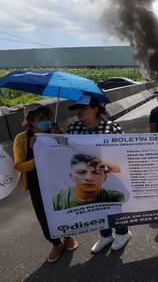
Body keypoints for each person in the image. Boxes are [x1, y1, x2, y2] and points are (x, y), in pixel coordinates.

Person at [66, 95, 132, 253]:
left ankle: (123, 232)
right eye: (77, 109)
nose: (79, 112)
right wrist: (47, 138)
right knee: (96, 206)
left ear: (95, 109)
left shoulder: (111, 127)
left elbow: (125, 150)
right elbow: (64, 150)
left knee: (113, 205)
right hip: (87, 178)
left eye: (83, 108)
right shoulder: (73, 129)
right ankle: (106, 235)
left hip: (110, 176)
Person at [13, 104, 78, 263]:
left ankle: (68, 235)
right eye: (40, 119)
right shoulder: (21, 139)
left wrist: (60, 137)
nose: (46, 121)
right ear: (30, 121)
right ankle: (55, 243)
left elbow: (70, 152)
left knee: (62, 208)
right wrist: (36, 157)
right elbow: (19, 166)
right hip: (36, 184)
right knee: (43, 215)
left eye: (47, 117)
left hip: (58, 179)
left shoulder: (55, 132)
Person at [52, 154, 124, 211]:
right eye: (81, 172)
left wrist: (118, 170)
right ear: (71, 176)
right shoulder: (58, 201)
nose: (88, 178)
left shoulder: (115, 197)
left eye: (95, 173)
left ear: (104, 178)